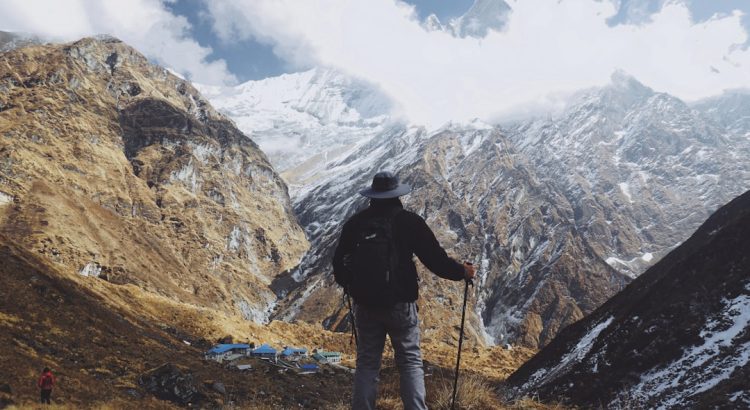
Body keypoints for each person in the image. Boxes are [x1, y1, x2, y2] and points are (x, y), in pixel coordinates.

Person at [333, 171, 476, 410]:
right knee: (410, 362)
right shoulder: (410, 222)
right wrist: (462, 272)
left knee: (367, 364)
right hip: (400, 304)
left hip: (365, 304)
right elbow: (435, 260)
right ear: (397, 194)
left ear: (373, 195)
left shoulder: (356, 223)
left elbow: (338, 262)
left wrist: (351, 285)